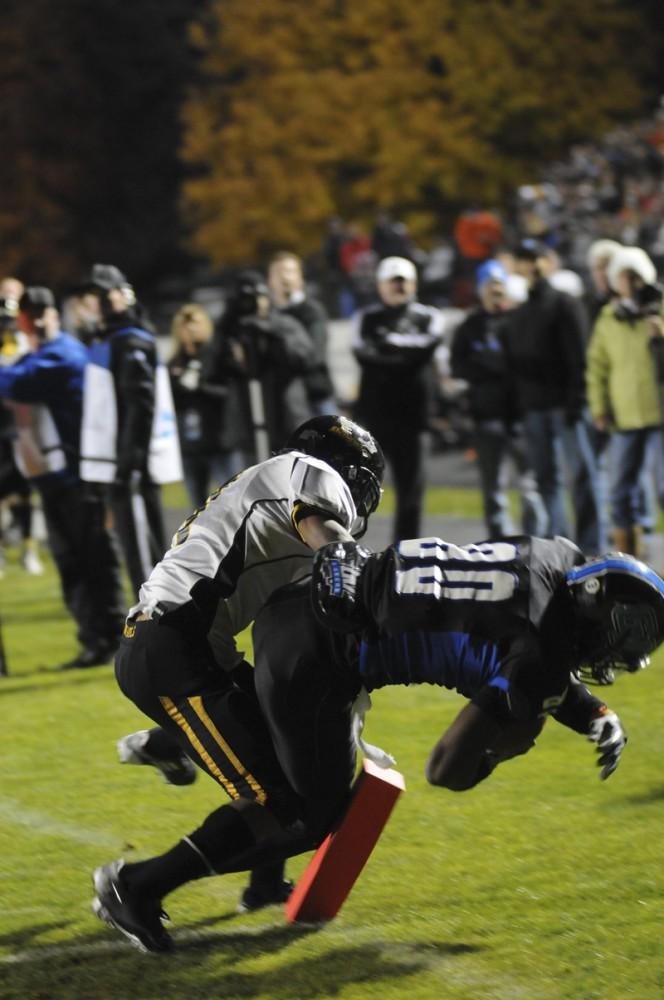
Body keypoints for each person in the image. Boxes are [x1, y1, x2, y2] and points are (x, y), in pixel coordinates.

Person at [91, 532, 664, 952]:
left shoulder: (555, 553)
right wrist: (502, 751)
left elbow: (506, 626)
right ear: (594, 605)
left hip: (308, 601)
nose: (619, 653)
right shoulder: (540, 658)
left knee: (294, 770)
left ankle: (193, 756)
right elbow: (447, 766)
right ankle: (138, 886)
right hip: (320, 659)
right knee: (308, 815)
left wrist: (593, 713)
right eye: (623, 634)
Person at [109, 415, 385, 918]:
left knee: (294, 757)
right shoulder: (306, 473)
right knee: (277, 803)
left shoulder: (266, 488)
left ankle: (172, 748)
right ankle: (137, 887)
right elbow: (322, 529)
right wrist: (349, 569)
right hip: (174, 650)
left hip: (188, 645)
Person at [0, 287, 125, 667]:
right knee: (72, 564)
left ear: (56, 314)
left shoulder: (64, 353)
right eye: (28, 315)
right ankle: (94, 641)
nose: (36, 321)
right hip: (53, 478)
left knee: (94, 560)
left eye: (42, 313)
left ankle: (116, 638)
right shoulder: (37, 354)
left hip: (77, 477)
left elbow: (17, 383)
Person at [79, 264, 181, 597]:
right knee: (138, 555)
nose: (91, 303)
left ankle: (159, 630)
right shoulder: (111, 339)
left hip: (130, 468)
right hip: (120, 465)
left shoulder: (129, 340)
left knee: (145, 560)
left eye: (98, 295)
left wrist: (129, 465)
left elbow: (140, 408)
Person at [502, 239, 606, 554]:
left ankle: (591, 545)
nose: (530, 265)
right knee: (548, 480)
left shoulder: (564, 303)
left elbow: (579, 355)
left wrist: (577, 398)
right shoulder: (519, 313)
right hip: (535, 406)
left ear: (547, 262)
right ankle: (565, 546)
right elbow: (514, 365)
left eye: (535, 258)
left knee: (582, 476)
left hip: (564, 404)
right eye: (524, 259)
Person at [352, 256, 445, 541]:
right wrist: (406, 356)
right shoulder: (365, 318)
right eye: (392, 283)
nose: (398, 288)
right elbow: (362, 354)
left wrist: (388, 346)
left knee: (411, 490)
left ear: (414, 284)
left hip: (414, 415)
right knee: (358, 488)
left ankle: (405, 552)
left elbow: (428, 347)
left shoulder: (429, 316)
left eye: (403, 282)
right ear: (380, 286)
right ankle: (349, 549)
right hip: (374, 414)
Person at [450, 260, 546, 539]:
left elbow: (529, 362)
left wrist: (488, 363)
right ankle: (500, 545)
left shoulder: (519, 320)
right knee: (494, 489)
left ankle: (535, 541)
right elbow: (458, 366)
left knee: (531, 486)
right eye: (490, 285)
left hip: (521, 415)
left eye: (499, 285)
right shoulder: (470, 326)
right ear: (481, 290)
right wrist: (494, 365)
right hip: (486, 415)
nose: (495, 290)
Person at [586, 246, 664, 557]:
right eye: (624, 276)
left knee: (662, 488)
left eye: (635, 276)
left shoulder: (659, 310)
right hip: (624, 414)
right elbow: (597, 367)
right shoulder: (609, 318)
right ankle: (629, 559)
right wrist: (600, 407)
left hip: (660, 412)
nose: (629, 283)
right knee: (619, 490)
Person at [204, 271, 316, 463]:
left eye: (257, 298)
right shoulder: (228, 329)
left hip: (285, 414)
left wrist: (271, 333)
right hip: (246, 419)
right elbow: (212, 370)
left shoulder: (284, 324)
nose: (253, 304)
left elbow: (306, 359)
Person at [168, 303, 240, 508]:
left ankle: (241, 540)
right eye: (185, 325)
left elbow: (229, 394)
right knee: (197, 507)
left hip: (219, 440)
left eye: (195, 323)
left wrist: (200, 386)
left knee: (232, 499)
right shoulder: (174, 363)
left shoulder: (217, 357)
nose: (190, 329)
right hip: (190, 445)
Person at [0, 289, 43, 576]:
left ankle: (29, 549)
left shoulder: (28, 348)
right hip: (2, 428)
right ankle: (2, 550)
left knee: (27, 493)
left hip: (24, 428)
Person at [268, 251, 336, 415]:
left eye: (290, 271)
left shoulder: (312, 311)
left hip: (315, 397)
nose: (285, 277)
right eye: (279, 272)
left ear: (300, 278)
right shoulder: (266, 314)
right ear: (270, 280)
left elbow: (315, 355)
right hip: (277, 400)